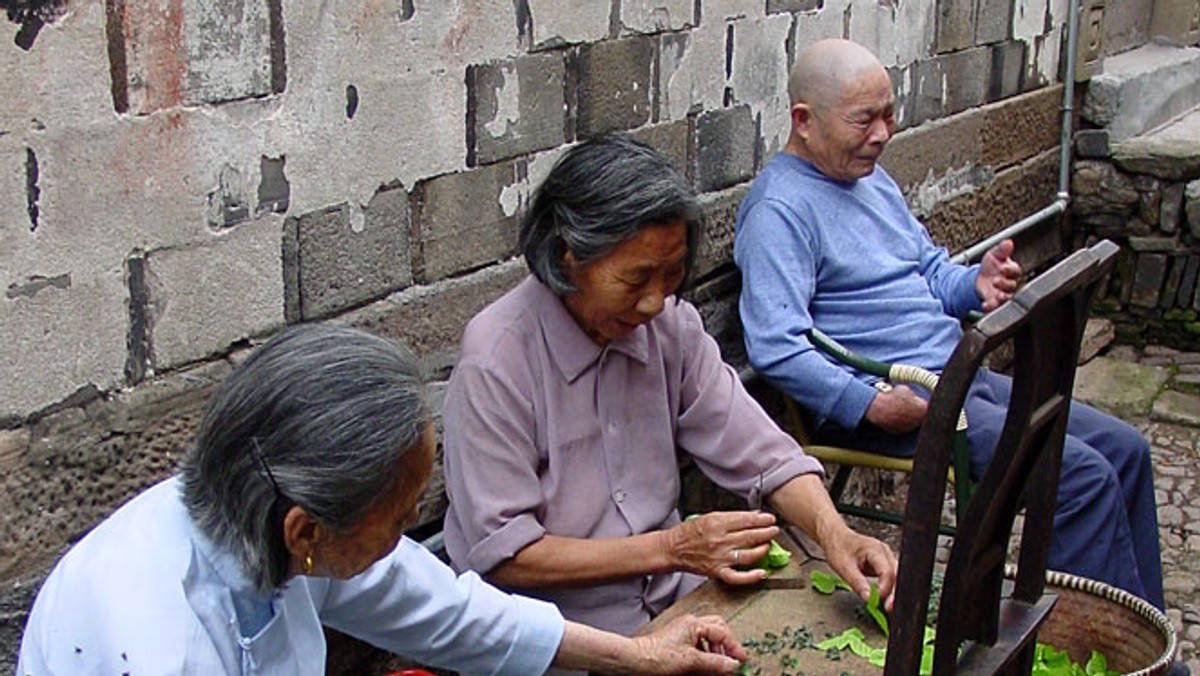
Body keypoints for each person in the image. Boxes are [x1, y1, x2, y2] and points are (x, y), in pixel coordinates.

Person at [17, 325, 750, 676]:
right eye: (398, 520)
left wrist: (642, 657)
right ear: (307, 529)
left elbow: (451, 614)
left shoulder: (267, 530)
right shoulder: (151, 640)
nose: (410, 534)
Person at [735, 38, 1169, 619]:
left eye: (890, 114)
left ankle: (1144, 637)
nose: (883, 133)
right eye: (865, 119)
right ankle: (1081, 642)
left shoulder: (869, 179)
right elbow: (776, 345)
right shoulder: (779, 212)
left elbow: (930, 269)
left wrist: (975, 286)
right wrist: (868, 402)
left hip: (957, 372)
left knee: (1126, 449)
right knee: (1077, 478)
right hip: (898, 401)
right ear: (804, 122)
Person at [441, 135, 898, 660]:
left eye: (672, 274)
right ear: (568, 259)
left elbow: (762, 453)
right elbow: (506, 555)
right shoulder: (497, 359)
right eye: (635, 278)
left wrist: (833, 532)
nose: (656, 300)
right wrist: (671, 549)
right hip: (561, 639)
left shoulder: (670, 328)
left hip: (675, 603)